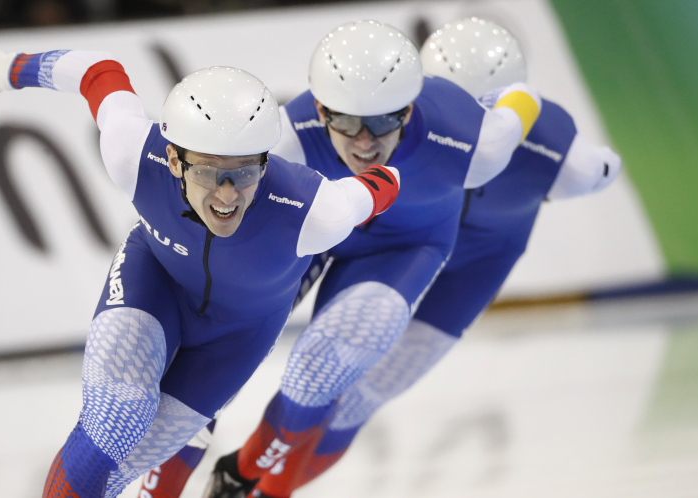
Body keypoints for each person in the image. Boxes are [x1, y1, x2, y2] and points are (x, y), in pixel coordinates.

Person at [0, 40, 401, 498]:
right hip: (154, 282)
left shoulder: (313, 210)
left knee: (119, 469)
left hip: (234, 340)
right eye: (206, 172)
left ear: (266, 163)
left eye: (244, 173)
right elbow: (97, 72)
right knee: (117, 414)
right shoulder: (131, 152)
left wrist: (395, 167)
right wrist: (7, 69)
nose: (226, 197)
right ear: (172, 159)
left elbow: (384, 183)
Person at [136, 20, 543, 498]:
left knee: (323, 369)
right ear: (322, 110)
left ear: (410, 110)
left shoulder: (475, 144)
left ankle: (243, 473)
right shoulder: (289, 132)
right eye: (345, 122)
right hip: (315, 233)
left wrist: (518, 95)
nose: (364, 142)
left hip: (401, 251)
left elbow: (525, 98)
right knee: (214, 358)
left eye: (384, 122)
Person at [240, 18, 623, 498]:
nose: (458, 122)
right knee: (321, 371)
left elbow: (600, 169)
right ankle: (257, 472)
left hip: (463, 270)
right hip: (389, 248)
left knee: (360, 397)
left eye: (475, 115)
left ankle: (270, 490)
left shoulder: (556, 153)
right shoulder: (391, 124)